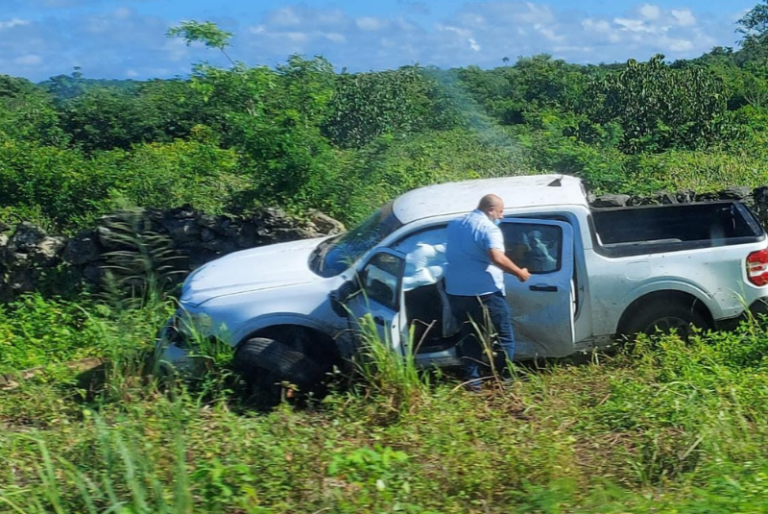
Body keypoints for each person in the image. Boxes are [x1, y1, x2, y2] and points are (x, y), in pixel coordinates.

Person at [445, 194, 530, 391]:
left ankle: (473, 382)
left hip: (456, 291)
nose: (501, 216)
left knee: (469, 336)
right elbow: (496, 257)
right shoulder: (489, 228)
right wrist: (519, 272)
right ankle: (505, 379)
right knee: (504, 335)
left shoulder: (455, 224)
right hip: (485, 292)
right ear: (491, 210)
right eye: (500, 212)